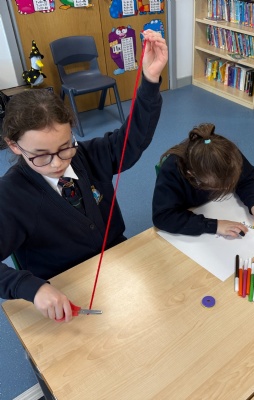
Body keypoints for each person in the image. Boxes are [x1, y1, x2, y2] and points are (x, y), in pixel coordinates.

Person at [0, 30, 168, 323]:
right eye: (41, 155)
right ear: (14, 145)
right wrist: (32, 288)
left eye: (65, 147)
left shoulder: (87, 155)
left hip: (116, 262)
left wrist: (150, 81)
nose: (57, 163)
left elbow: (132, 139)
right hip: (62, 288)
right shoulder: (10, 195)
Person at [152, 123, 254, 237]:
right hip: (189, 211)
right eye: (216, 186)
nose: (226, 187)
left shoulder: (228, 154)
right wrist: (214, 225)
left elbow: (246, 179)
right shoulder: (172, 170)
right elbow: (163, 217)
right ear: (192, 174)